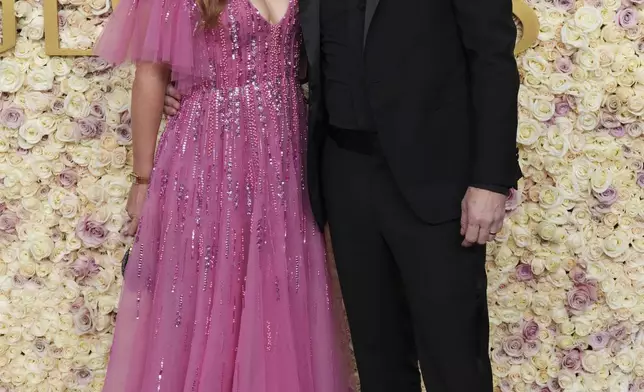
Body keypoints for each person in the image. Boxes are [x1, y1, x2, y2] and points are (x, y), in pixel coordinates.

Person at [165, 0, 521, 391]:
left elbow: (492, 59)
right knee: (377, 354)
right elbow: (287, 44)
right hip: (344, 170)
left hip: (437, 176)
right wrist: (193, 78)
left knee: (454, 355)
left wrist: (490, 180)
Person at [93, 0, 351, 390]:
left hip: (286, 159)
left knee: (280, 290)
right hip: (210, 157)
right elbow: (149, 73)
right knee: (211, 294)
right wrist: (142, 180)